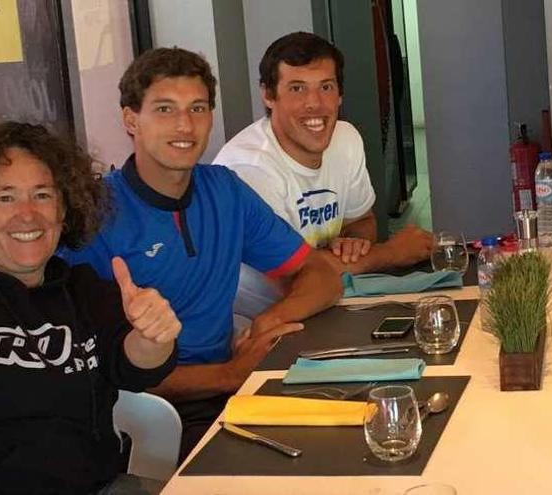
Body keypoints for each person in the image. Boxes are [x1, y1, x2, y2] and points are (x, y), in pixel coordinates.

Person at [61, 47, 343, 459]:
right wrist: (228, 374)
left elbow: (320, 274)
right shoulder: (96, 214)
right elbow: (98, 368)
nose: (184, 125)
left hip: (230, 389)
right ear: (130, 119)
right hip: (151, 412)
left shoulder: (224, 190)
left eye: (198, 108)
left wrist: (268, 322)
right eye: (164, 109)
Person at [0, 122, 180, 495]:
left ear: (65, 209)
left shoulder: (82, 289)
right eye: (5, 197)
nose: (28, 214)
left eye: (43, 195)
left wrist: (152, 336)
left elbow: (135, 368)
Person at [213, 32, 432, 315]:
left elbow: (363, 220)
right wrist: (391, 252)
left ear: (340, 95)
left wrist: (354, 242)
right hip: (258, 324)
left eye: (326, 87)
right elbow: (298, 278)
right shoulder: (250, 169)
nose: (314, 103)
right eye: (297, 88)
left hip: (327, 306)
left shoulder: (346, 139)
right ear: (268, 95)